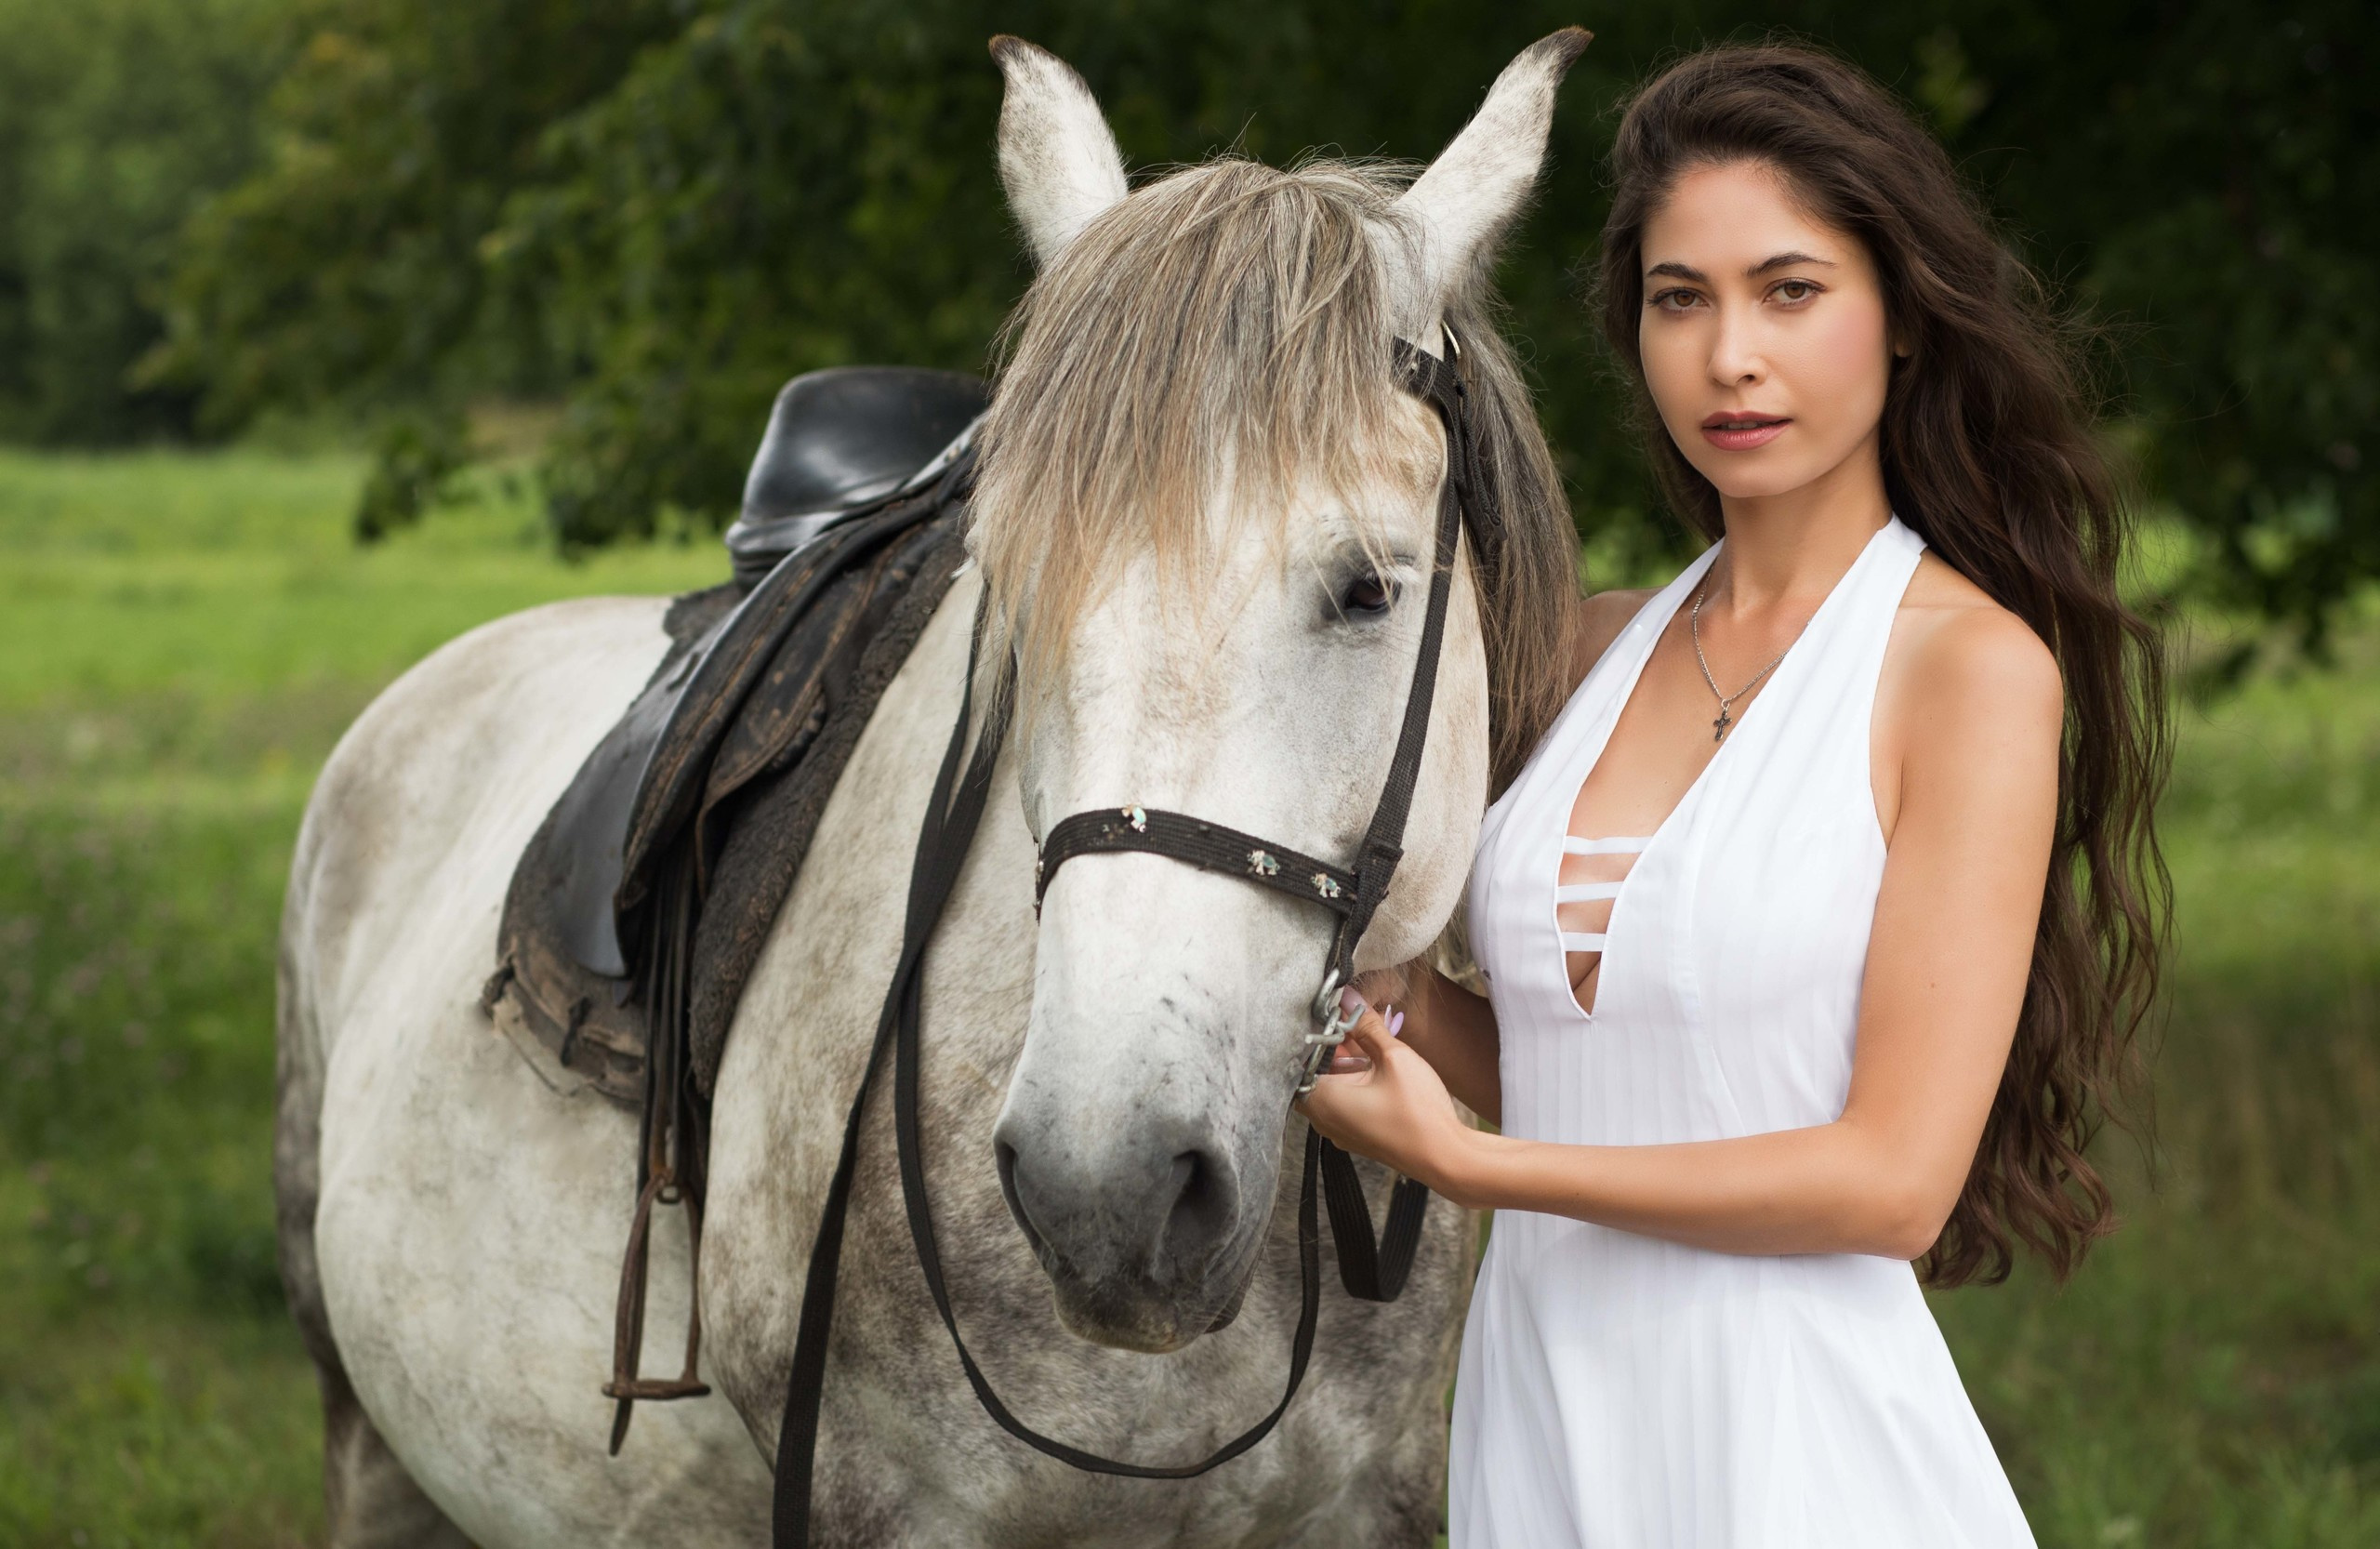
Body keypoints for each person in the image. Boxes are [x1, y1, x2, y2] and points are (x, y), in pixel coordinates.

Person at [1298, 43, 2169, 1546]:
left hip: (1797, 1440)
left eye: (1791, 290)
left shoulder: (1965, 670)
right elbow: (1588, 1065)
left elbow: (1892, 1179)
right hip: (1544, 1406)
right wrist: (1387, 996)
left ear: (1900, 320)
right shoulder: (1584, 647)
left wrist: (1473, 1165)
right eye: (1679, 298)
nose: (1729, 356)